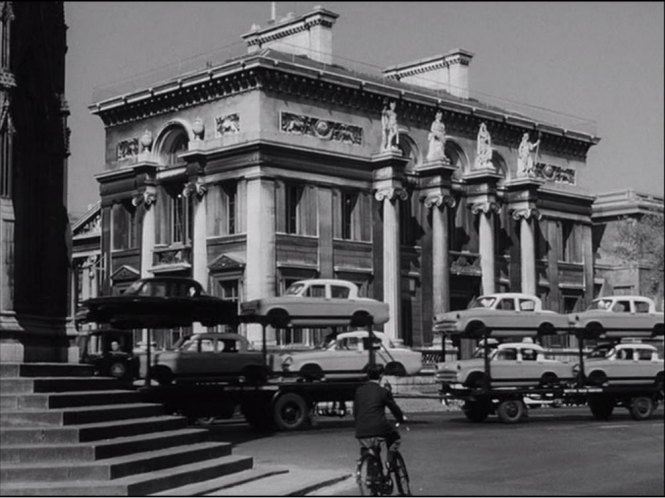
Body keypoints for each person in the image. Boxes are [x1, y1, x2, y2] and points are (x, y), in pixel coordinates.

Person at [353, 364, 406, 472]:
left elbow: (355, 411)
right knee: (395, 438)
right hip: (379, 428)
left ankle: (370, 475)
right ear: (381, 376)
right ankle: (390, 461)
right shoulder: (382, 391)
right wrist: (401, 418)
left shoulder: (359, 391)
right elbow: (394, 408)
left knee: (369, 449)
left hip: (361, 430)